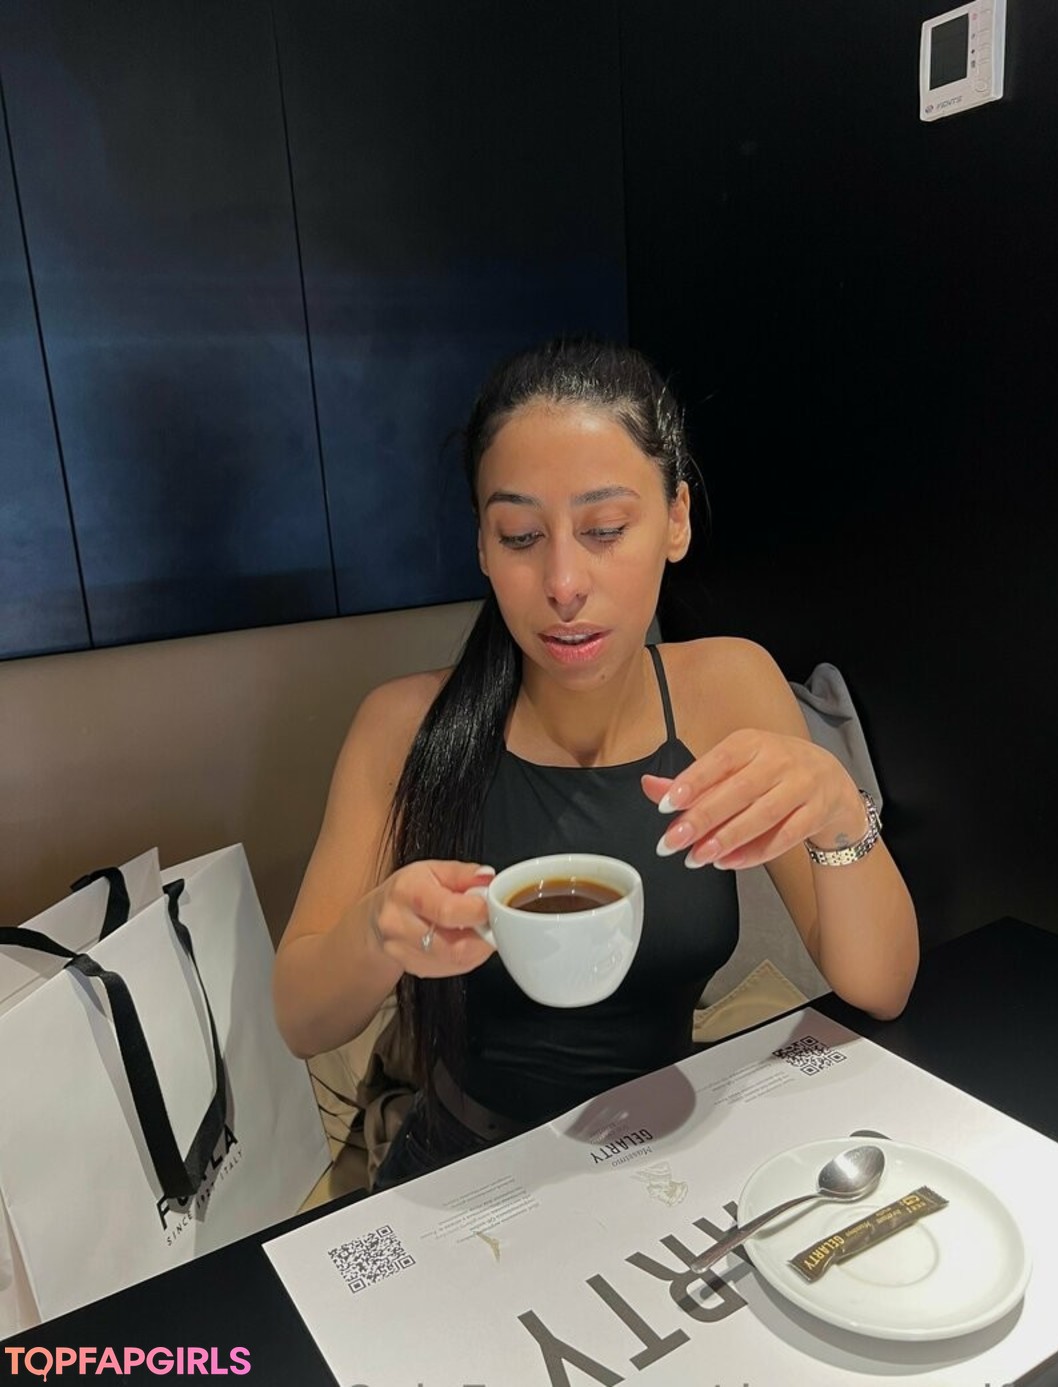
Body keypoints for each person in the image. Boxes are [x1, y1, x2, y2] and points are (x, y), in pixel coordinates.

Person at [272, 337, 919, 1190]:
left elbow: (882, 987)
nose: (564, 581)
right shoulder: (404, 728)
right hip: (464, 1174)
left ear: (676, 519)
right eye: (520, 535)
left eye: (606, 529)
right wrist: (378, 930)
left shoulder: (730, 685)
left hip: (670, 1160)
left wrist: (838, 808)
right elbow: (302, 1018)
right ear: (482, 544)